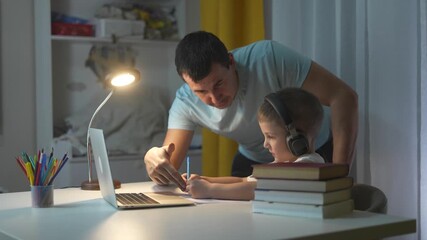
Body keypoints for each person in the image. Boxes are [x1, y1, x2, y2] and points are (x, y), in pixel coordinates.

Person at [144, 31, 358, 191]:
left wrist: (338, 173)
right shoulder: (185, 102)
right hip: (254, 160)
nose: (214, 98)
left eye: (219, 83)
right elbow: (168, 169)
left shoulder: (268, 58)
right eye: (201, 91)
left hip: (309, 151)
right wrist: (154, 161)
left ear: (231, 62)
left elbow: (344, 97)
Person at [184, 88, 325, 200]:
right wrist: (205, 180)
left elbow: (256, 189)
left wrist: (210, 190)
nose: (265, 144)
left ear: (296, 140)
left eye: (271, 137)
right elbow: (243, 181)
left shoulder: (308, 165)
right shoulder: (282, 166)